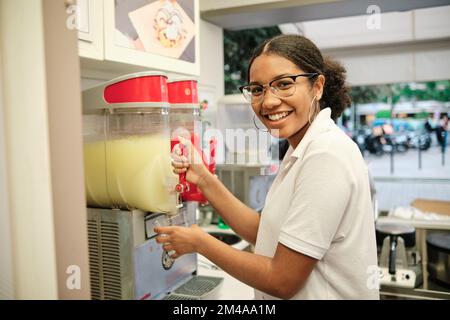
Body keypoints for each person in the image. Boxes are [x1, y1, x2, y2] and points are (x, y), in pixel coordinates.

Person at [155, 34, 379, 300]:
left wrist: (199, 242)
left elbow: (282, 280)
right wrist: (203, 177)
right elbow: (265, 232)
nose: (269, 102)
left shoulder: (325, 154)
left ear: (317, 86)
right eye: (258, 89)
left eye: (284, 84)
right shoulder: (301, 146)